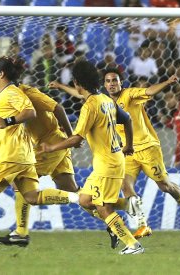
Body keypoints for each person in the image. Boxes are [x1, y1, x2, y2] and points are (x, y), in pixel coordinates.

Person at [0, 57, 78, 251]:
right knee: (31, 197)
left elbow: (29, 112)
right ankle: (80, 197)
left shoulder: (12, 92)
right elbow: (2, 124)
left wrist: (8, 120)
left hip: (11, 155)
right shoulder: (3, 96)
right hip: (24, 155)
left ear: (1, 74)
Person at [39, 60, 144, 255]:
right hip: (110, 161)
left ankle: (132, 244)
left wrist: (51, 147)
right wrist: (128, 145)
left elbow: (77, 138)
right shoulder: (106, 100)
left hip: (108, 164)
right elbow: (127, 119)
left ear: (78, 83)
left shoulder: (90, 106)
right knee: (85, 199)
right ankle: (129, 203)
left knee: (103, 207)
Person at [103, 67, 180, 237]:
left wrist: (168, 82)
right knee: (125, 185)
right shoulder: (103, 102)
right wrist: (61, 86)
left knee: (165, 186)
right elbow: (83, 95)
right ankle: (142, 225)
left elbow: (149, 90)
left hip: (148, 148)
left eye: (114, 80)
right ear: (105, 85)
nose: (112, 84)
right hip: (128, 151)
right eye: (108, 81)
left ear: (120, 83)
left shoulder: (130, 94)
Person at [0, 83, 78, 247]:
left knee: (21, 182)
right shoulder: (8, 97)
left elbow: (58, 108)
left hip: (51, 142)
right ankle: (111, 216)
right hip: (49, 143)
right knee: (70, 189)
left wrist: (71, 137)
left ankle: (21, 233)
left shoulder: (28, 93)